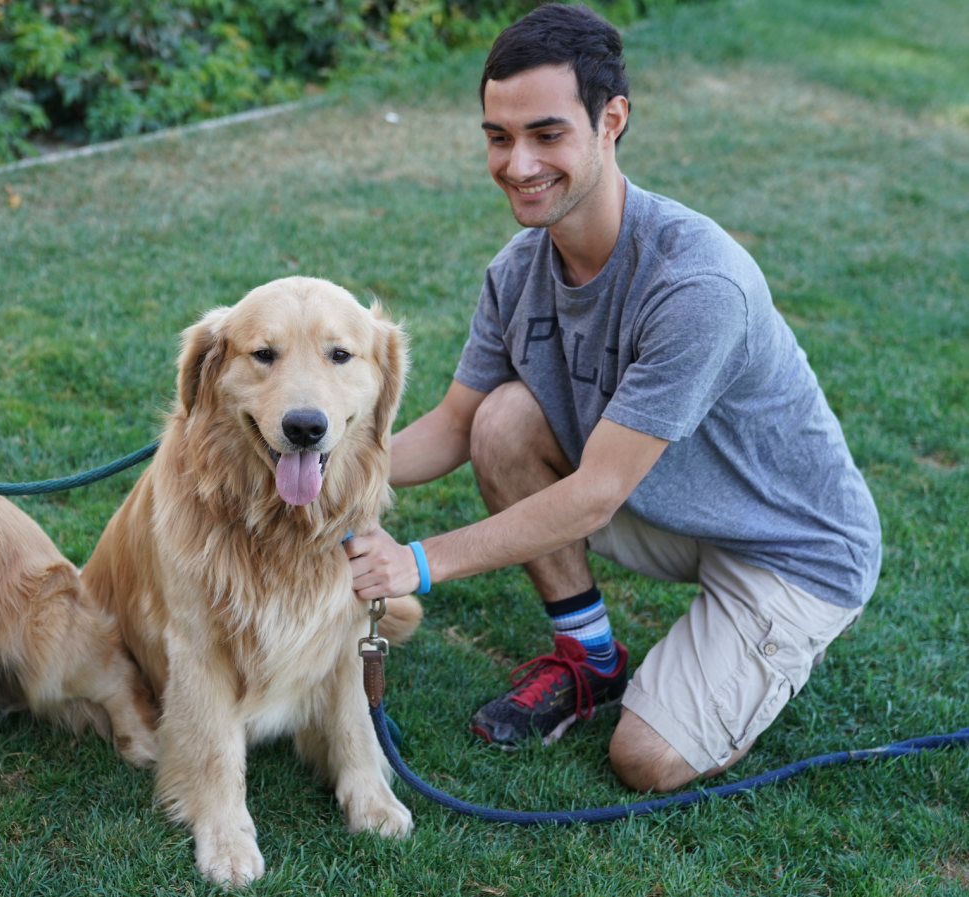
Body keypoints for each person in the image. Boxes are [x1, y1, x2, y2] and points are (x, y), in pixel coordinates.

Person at [344, 2, 880, 792]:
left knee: (646, 759)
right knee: (502, 420)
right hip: (667, 500)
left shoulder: (696, 283)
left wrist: (413, 563)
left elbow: (594, 494)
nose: (517, 164)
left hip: (790, 547)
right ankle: (591, 661)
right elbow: (455, 426)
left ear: (611, 120)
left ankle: (769, 649)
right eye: (498, 137)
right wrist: (327, 470)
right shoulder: (517, 269)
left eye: (546, 134)